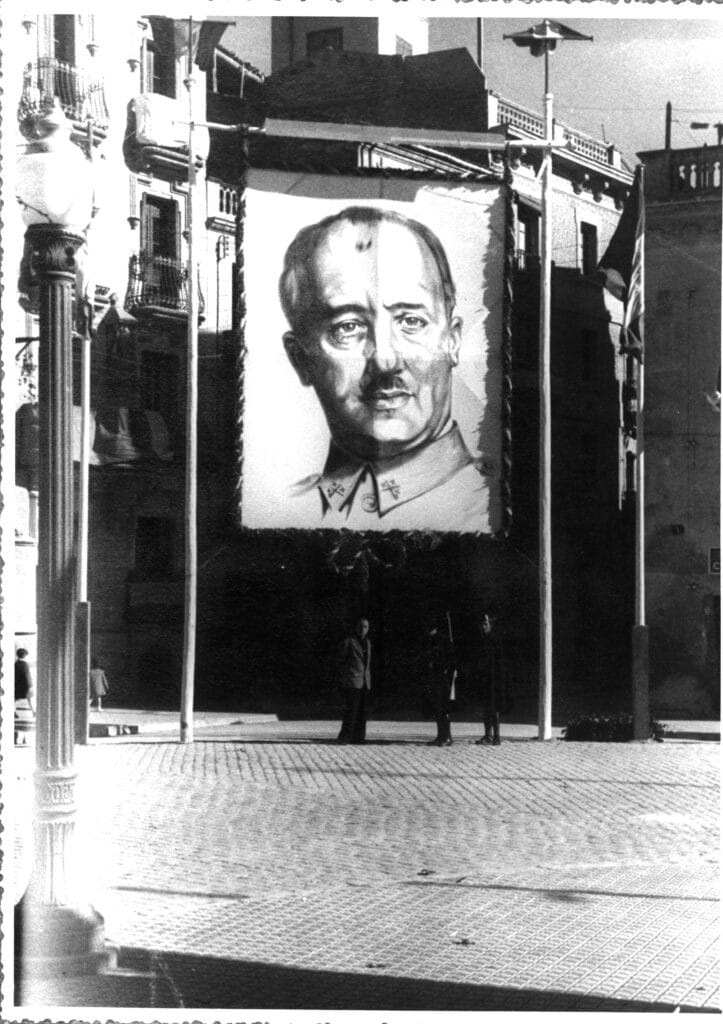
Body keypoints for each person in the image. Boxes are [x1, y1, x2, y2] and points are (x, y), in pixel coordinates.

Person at [279, 206, 490, 532]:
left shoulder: (492, 504)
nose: (385, 361)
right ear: (301, 359)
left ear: (452, 341)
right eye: (347, 327)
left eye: (412, 321)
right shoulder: (283, 509)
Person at [472, 611, 508, 746]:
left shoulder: (495, 640)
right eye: (482, 624)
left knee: (494, 708)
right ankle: (488, 735)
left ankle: (496, 736)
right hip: (485, 679)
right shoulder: (482, 640)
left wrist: (498, 680)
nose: (483, 627)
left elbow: (500, 662)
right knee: (486, 708)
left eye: (486, 624)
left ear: (491, 624)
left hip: (494, 680)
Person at [335, 617, 372, 744]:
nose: (363, 629)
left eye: (365, 627)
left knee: (362, 712)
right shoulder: (349, 642)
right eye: (360, 626)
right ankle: (345, 737)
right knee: (351, 711)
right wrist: (346, 675)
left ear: (368, 629)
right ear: (356, 627)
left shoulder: (368, 643)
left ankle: (359, 737)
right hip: (352, 681)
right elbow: (340, 660)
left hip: (365, 682)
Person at [424, 616, 457, 747]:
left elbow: (449, 660)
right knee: (438, 708)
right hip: (436, 678)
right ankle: (440, 736)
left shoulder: (441, 640)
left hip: (443, 679)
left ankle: (447, 736)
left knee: (444, 708)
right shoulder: (432, 640)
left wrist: (445, 671)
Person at [14, 648, 35, 715]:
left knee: (15, 699)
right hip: (26, 685)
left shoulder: (16, 664)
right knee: (30, 699)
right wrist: (31, 686)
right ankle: (33, 711)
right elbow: (27, 676)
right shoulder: (25, 664)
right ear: (24, 656)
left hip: (18, 685)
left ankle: (14, 711)